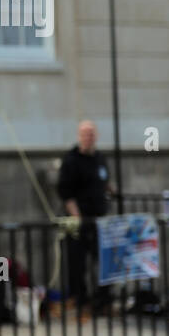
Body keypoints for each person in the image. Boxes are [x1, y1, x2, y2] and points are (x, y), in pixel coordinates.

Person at [57, 119, 115, 313]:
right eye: (85, 134)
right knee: (77, 263)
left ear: (96, 136)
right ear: (79, 136)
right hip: (80, 219)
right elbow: (66, 192)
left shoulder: (100, 158)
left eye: (91, 134)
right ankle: (80, 300)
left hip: (100, 218)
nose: (88, 137)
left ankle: (102, 300)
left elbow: (103, 181)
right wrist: (77, 217)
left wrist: (110, 191)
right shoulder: (71, 160)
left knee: (104, 260)